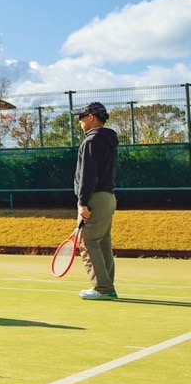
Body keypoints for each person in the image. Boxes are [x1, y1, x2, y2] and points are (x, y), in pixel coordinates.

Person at [74, 101, 119, 301]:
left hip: (96, 198)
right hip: (109, 197)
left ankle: (103, 288)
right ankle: (107, 287)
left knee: (88, 241)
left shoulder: (91, 141)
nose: (80, 121)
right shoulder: (109, 141)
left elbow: (88, 175)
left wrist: (82, 202)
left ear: (91, 117)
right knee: (103, 242)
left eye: (81, 117)